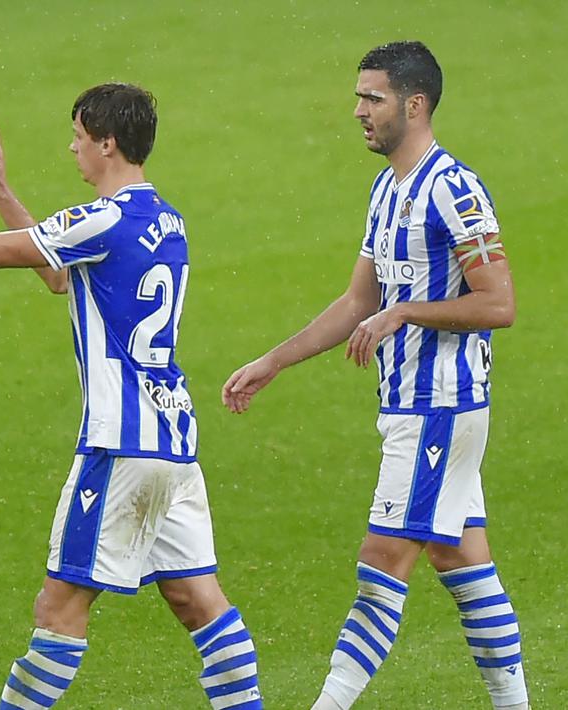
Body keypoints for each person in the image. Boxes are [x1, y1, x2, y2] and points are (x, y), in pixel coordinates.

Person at [222, 41, 526, 710]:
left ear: (414, 105)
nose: (358, 110)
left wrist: (406, 311)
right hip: (414, 408)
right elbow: (360, 301)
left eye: (372, 98)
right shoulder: (387, 189)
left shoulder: (453, 190)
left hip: (438, 407)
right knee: (461, 560)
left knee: (380, 567)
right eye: (359, 96)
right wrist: (274, 360)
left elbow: (498, 304)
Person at [0, 86, 263, 709]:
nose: (72, 148)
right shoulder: (166, 220)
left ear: (107, 143)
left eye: (78, 136)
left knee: (58, 610)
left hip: (120, 445)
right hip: (173, 442)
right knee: (198, 601)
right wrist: (2, 192)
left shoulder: (101, 218)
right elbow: (60, 276)